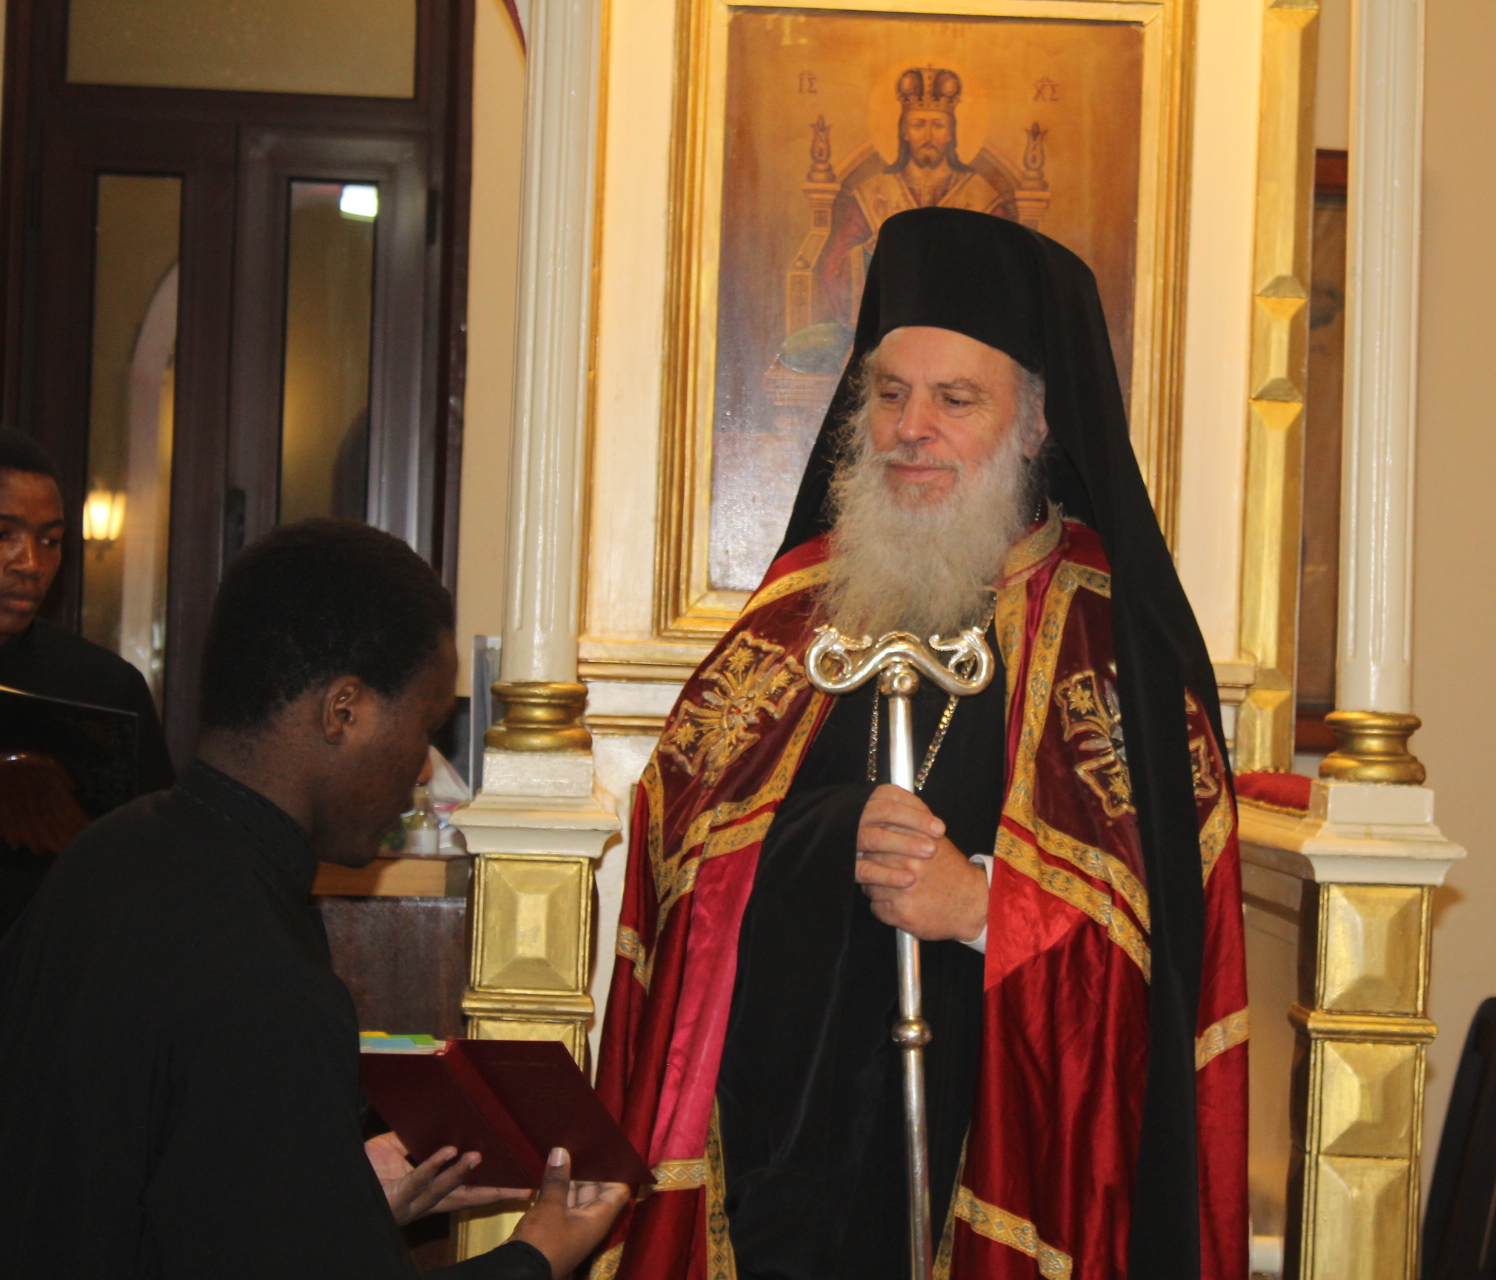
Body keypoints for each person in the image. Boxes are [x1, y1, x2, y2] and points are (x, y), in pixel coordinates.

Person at [595, 208, 1248, 1280]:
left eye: (956, 399)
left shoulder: (1110, 643)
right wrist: (830, 838)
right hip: (783, 1162)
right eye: (891, 394)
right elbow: (678, 863)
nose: (912, 428)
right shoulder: (796, 613)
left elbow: (1165, 952)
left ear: (1034, 425)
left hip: (997, 1151)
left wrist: (987, 906)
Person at [0, 520, 630, 1278]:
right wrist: (537, 1255)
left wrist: (335, 1192)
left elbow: (140, 1187)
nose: (424, 769)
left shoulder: (111, 852)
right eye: (424, 725)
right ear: (343, 711)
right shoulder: (266, 976)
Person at [0, 428, 174, 934]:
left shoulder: (106, 687)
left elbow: (155, 864)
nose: (31, 563)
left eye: (50, 541)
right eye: (4, 534)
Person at [817, 67, 1017, 325]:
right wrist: (872, 253)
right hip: (890, 323)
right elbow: (835, 266)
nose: (928, 136)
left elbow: (1006, 268)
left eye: (938, 126)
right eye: (918, 125)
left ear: (950, 134)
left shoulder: (982, 198)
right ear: (905, 132)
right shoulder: (873, 194)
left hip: (959, 325)